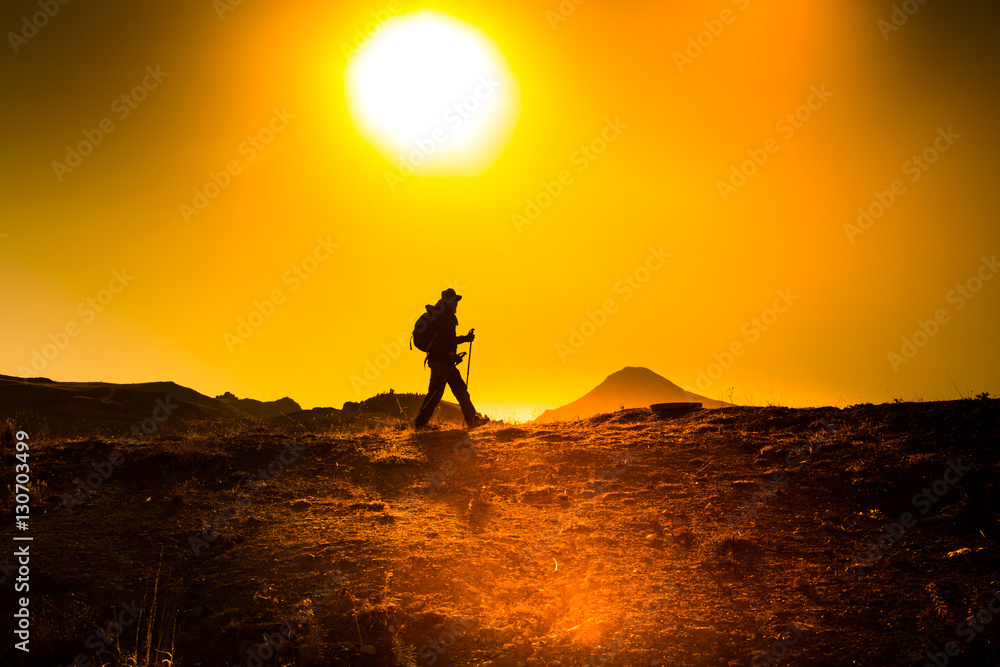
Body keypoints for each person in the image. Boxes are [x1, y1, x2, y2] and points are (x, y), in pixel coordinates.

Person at [413, 288, 490, 430]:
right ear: (449, 303)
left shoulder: (440, 316)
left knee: (435, 394)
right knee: (460, 390)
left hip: (437, 361)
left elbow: (444, 341)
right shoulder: (445, 318)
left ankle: (420, 424)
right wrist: (464, 341)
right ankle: (472, 420)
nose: (456, 305)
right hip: (442, 362)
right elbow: (447, 341)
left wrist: (456, 352)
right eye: (455, 302)